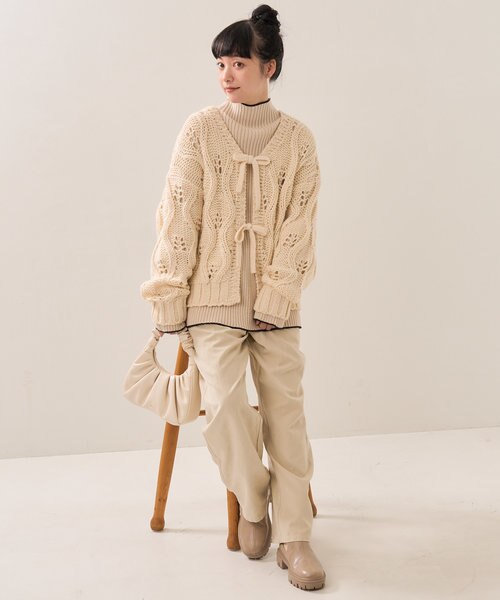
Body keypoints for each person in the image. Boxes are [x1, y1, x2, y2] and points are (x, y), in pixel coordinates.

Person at [140, 4, 325, 592]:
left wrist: (278, 293)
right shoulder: (199, 131)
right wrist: (170, 295)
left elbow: (299, 226)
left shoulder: (298, 141)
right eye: (221, 64)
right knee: (220, 405)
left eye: (239, 63)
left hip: (277, 309)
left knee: (286, 413)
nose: (227, 74)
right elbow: (179, 215)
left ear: (269, 67)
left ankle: (295, 536)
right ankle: (254, 497)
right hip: (209, 304)